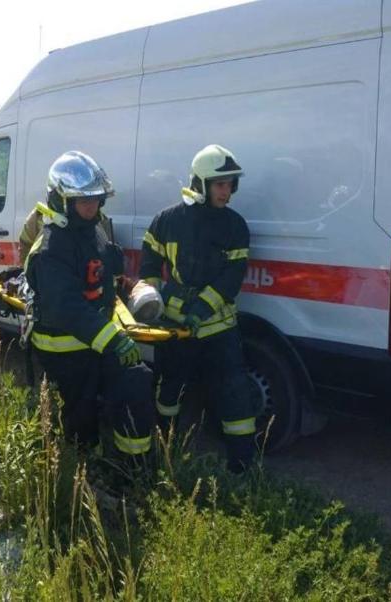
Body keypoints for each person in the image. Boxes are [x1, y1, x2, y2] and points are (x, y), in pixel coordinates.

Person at [25, 151, 153, 463]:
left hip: (95, 339)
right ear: (61, 200)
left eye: (96, 199)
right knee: (81, 416)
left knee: (137, 380)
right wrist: (114, 339)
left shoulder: (92, 230)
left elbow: (103, 279)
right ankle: (84, 471)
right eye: (83, 200)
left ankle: (132, 467)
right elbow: (65, 307)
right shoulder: (51, 246)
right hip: (64, 349)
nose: (91, 206)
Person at [139, 144, 257, 473]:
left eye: (231, 184)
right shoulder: (166, 221)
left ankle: (242, 466)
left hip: (219, 328)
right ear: (201, 183)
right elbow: (149, 268)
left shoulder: (235, 226)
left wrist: (201, 311)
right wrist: (150, 302)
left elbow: (231, 279)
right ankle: (165, 452)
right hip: (175, 328)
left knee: (234, 393)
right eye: (220, 184)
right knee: (168, 390)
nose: (227, 192)